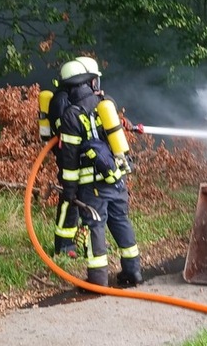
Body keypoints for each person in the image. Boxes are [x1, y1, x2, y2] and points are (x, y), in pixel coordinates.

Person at [57, 57, 144, 287]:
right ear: (90, 82)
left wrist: (69, 190)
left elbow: (69, 159)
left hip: (93, 186)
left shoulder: (71, 115)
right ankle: (133, 271)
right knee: (121, 220)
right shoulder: (106, 103)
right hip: (116, 178)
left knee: (94, 226)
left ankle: (97, 280)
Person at [47, 72, 82, 258]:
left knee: (84, 199)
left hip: (76, 155)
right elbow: (66, 131)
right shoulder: (61, 100)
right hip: (68, 156)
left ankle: (85, 241)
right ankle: (63, 245)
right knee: (70, 198)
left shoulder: (71, 97)